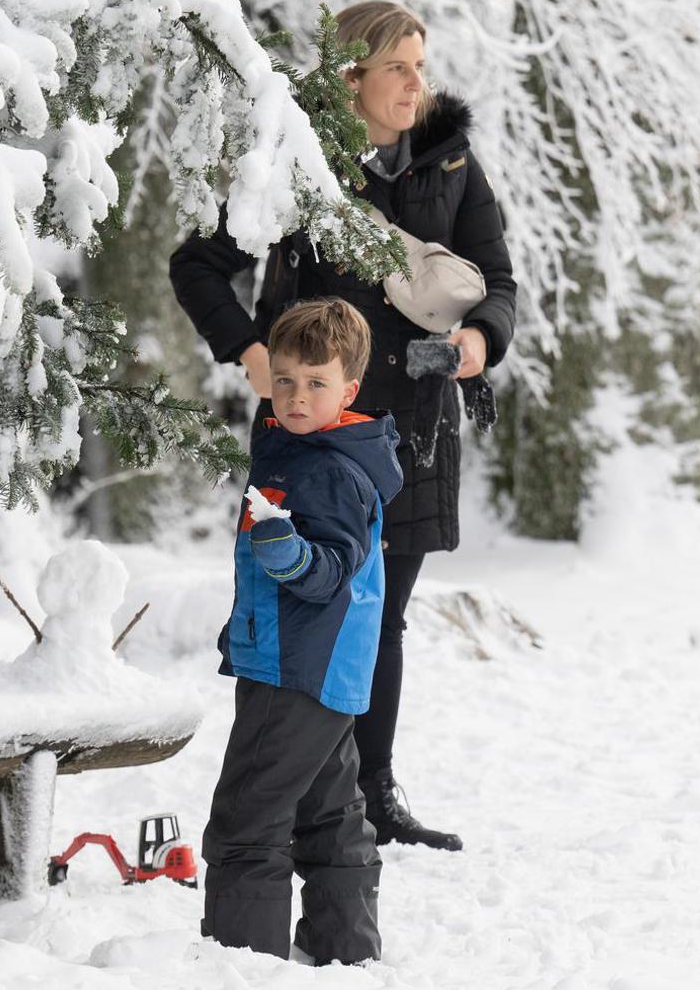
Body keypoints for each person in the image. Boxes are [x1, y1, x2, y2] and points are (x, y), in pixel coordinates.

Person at [171, 0, 517, 852]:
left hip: (411, 432)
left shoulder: (453, 165)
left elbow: (500, 281)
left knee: (380, 614)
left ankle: (371, 795)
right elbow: (199, 264)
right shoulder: (299, 163)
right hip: (310, 433)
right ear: (351, 76)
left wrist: (477, 343)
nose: (415, 83)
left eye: (421, 65)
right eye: (397, 65)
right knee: (301, 604)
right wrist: (252, 352)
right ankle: (293, 796)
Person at [200, 297, 403, 964]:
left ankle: (242, 963)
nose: (295, 395)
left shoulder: (332, 469)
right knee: (326, 812)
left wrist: (289, 556)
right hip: (319, 665)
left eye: (316, 384)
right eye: (284, 379)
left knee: (248, 818)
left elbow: (333, 571)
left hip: (296, 666)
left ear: (347, 391)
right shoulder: (298, 446)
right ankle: (343, 950)